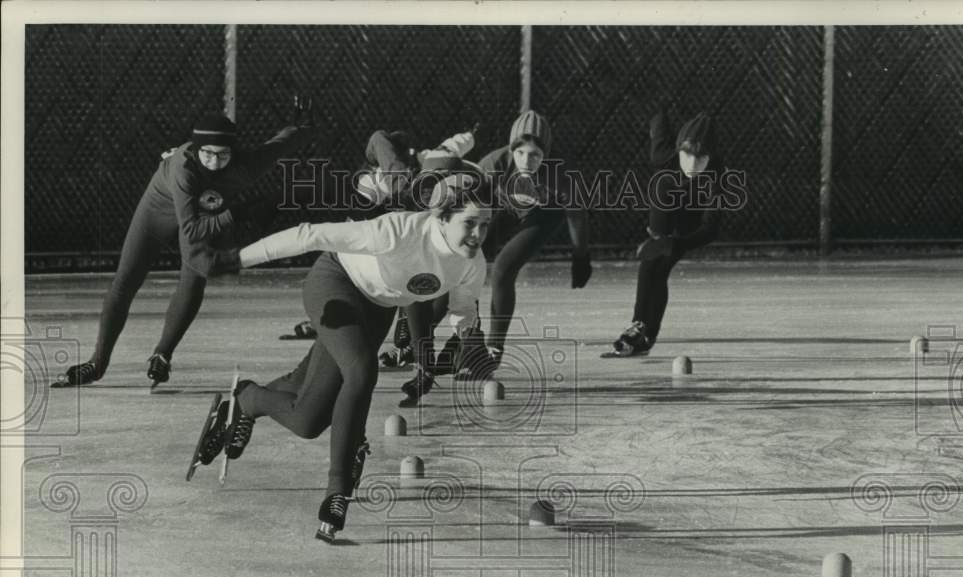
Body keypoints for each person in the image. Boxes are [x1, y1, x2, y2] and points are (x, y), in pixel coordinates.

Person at [194, 173, 492, 544]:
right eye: (470, 223)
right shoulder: (396, 231)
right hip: (335, 284)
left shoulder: (472, 262)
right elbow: (310, 234)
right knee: (362, 371)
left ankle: (247, 400)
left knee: (308, 421)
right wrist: (234, 259)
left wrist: (469, 336)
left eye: (485, 224)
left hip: (376, 311)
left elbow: (464, 303)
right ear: (442, 217)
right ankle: (338, 491)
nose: (478, 234)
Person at [55, 100, 317, 388]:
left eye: (223, 155)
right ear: (196, 149)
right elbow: (191, 230)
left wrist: (302, 126)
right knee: (126, 280)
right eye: (208, 154)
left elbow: (280, 144)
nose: (215, 163)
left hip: (206, 213)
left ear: (234, 152)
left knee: (196, 275)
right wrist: (235, 214)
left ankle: (162, 355)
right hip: (159, 210)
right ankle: (97, 363)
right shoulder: (184, 168)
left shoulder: (245, 166)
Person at [285, 124, 479, 360]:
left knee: (437, 278)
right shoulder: (375, 181)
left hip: (422, 220)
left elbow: (455, 144)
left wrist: (470, 135)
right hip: (388, 226)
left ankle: (422, 343)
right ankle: (341, 319)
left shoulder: (429, 160)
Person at [426, 109, 592, 378]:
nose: (527, 161)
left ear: (546, 155)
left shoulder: (562, 174)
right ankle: (448, 338)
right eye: (520, 153)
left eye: (535, 155)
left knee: (504, 269)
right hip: (500, 211)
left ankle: (493, 348)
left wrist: (581, 255)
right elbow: (467, 207)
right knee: (462, 265)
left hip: (542, 216)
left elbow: (577, 215)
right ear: (511, 150)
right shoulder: (494, 164)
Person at [609, 107, 723, 356]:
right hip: (664, 202)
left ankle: (645, 332)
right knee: (652, 264)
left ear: (710, 157)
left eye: (701, 158)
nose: (692, 164)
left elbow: (710, 229)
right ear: (678, 149)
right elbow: (658, 119)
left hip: (689, 218)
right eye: (687, 155)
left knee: (663, 263)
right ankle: (639, 328)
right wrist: (658, 113)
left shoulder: (717, 177)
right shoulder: (663, 155)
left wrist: (675, 244)